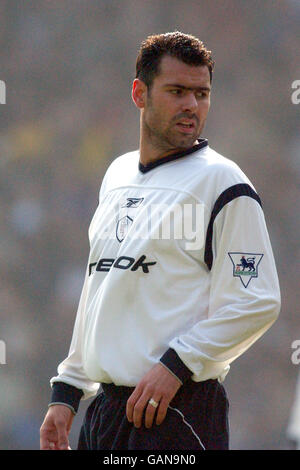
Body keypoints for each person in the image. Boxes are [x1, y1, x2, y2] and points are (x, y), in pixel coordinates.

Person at [40, 31, 281, 451]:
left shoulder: (224, 183)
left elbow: (256, 299)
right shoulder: (116, 176)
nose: (192, 104)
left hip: (175, 411)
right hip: (106, 416)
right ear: (140, 93)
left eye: (201, 93)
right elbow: (103, 287)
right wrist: (69, 388)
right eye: (177, 91)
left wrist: (177, 364)